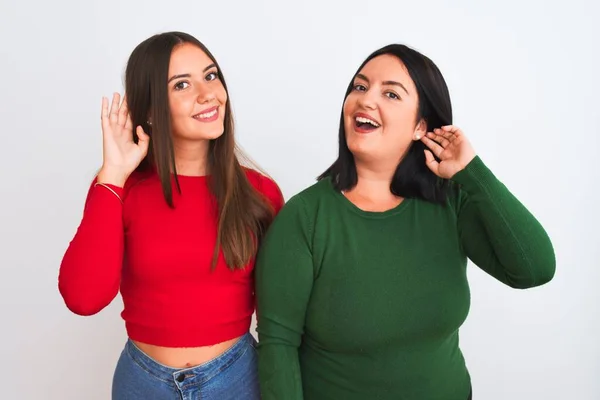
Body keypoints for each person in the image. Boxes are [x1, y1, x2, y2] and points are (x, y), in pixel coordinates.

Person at [254, 43, 556, 400]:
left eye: (391, 93)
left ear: (421, 127)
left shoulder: (449, 202)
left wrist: (473, 174)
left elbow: (534, 269)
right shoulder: (305, 218)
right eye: (360, 87)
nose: (366, 100)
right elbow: (278, 347)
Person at [58, 31, 284, 400]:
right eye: (182, 84)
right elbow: (84, 298)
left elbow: (282, 318)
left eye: (211, 76)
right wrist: (113, 174)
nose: (207, 93)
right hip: (142, 383)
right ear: (149, 109)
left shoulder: (261, 194)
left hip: (238, 380)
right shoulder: (120, 190)